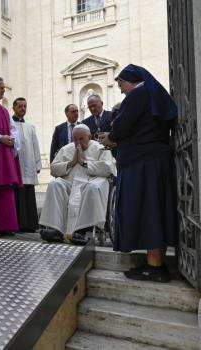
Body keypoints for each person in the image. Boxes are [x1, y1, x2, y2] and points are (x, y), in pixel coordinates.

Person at [99, 64, 178, 283]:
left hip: (142, 164)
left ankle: (155, 267)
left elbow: (123, 128)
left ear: (131, 81)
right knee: (155, 209)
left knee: (148, 210)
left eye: (121, 84)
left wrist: (110, 137)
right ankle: (156, 261)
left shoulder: (138, 94)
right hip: (155, 161)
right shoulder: (152, 94)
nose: (121, 90)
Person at [40, 124, 116, 244]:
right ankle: (56, 229)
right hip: (70, 183)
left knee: (92, 188)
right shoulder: (66, 149)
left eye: (81, 139)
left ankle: (82, 231)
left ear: (89, 137)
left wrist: (84, 163)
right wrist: (72, 162)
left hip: (92, 181)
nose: (78, 142)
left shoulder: (100, 148)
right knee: (55, 185)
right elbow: (53, 169)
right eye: (75, 139)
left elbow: (108, 168)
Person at [0, 77, 24, 236]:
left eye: (3, 88)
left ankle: (8, 225)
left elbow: (13, 129)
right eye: (1, 88)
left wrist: (12, 140)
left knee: (7, 188)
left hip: (5, 153)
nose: (3, 90)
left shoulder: (4, 110)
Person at [12, 97, 42, 232]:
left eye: (25, 106)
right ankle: (18, 224)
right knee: (17, 194)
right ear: (14, 107)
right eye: (20, 106)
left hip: (29, 164)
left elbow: (36, 146)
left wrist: (37, 163)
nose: (23, 109)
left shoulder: (30, 127)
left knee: (29, 194)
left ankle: (30, 224)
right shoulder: (9, 125)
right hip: (16, 164)